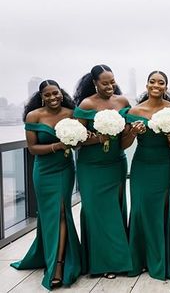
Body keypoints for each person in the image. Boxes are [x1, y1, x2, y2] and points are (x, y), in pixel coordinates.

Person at [11, 80, 82, 289]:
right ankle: (45, 254)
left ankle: (58, 265)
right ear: (41, 96)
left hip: (65, 169)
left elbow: (78, 142)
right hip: (43, 171)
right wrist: (57, 145)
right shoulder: (34, 116)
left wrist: (74, 141)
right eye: (48, 95)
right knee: (48, 215)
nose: (53, 98)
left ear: (62, 93)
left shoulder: (72, 113)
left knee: (61, 212)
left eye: (56, 93)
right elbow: (32, 148)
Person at [73, 64, 132, 278]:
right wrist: (100, 138)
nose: (109, 86)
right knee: (97, 213)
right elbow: (77, 141)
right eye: (104, 82)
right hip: (91, 167)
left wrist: (130, 132)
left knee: (114, 211)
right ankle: (104, 263)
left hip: (116, 162)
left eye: (112, 81)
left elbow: (125, 142)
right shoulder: (87, 104)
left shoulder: (123, 102)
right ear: (94, 83)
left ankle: (117, 259)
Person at [122, 70, 170, 280]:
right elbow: (124, 144)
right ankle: (138, 260)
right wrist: (132, 132)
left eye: (161, 82)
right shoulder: (134, 111)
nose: (156, 85)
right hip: (141, 165)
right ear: (146, 85)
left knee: (161, 209)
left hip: (165, 164)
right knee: (138, 209)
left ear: (166, 87)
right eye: (152, 82)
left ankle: (163, 259)